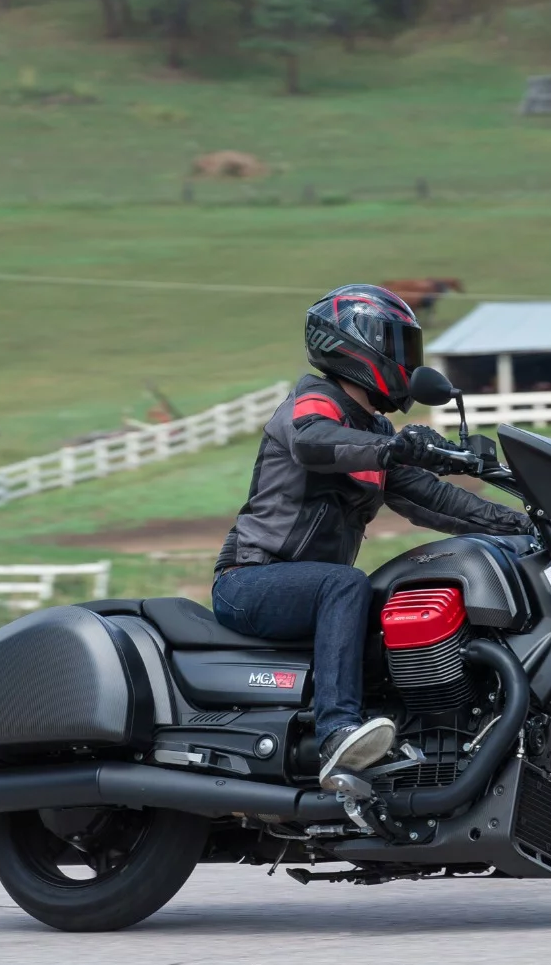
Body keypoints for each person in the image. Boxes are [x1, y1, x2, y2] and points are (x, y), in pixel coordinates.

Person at [212, 284, 532, 787]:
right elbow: (315, 443)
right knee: (346, 584)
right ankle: (337, 733)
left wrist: (523, 523)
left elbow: (434, 499)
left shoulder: (377, 435)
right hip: (251, 579)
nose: (407, 362)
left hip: (305, 583)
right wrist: (398, 447)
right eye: (399, 347)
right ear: (356, 346)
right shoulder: (315, 402)